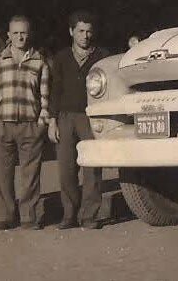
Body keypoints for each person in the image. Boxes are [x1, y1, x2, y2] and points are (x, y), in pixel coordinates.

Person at [0, 15, 51, 231]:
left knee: (30, 175)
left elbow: (45, 97)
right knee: (2, 174)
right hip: (2, 126)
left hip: (30, 126)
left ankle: (29, 217)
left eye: (24, 33)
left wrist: (41, 123)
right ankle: (6, 216)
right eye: (16, 33)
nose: (20, 37)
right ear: (9, 35)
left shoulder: (39, 63)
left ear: (29, 34)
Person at [47, 11, 110, 230]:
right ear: (71, 32)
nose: (85, 36)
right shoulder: (61, 58)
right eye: (80, 31)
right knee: (66, 168)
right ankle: (69, 215)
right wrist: (52, 120)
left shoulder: (102, 56)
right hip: (65, 117)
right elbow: (55, 90)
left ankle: (89, 215)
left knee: (92, 167)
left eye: (89, 31)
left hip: (91, 116)